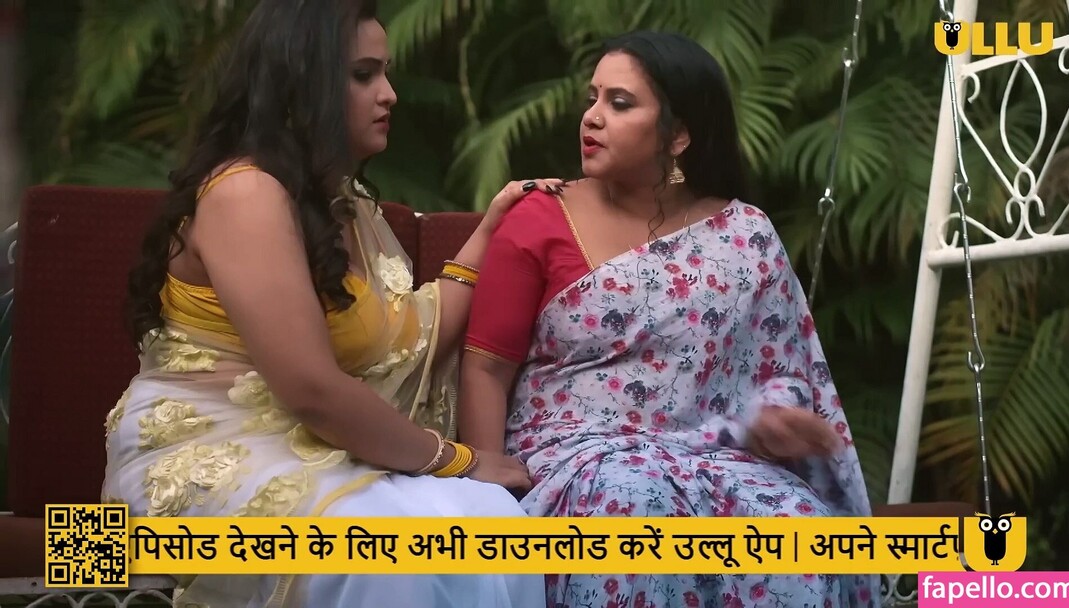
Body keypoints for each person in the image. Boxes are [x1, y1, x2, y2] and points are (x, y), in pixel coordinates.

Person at [100, 1, 560, 606]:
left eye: (385, 72)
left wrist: (492, 230)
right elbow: (312, 390)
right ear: (301, 83)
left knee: (492, 523)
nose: (390, 94)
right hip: (203, 455)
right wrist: (457, 460)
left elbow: (410, 334)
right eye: (364, 75)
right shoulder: (246, 193)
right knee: (393, 557)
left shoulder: (341, 202)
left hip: (312, 448)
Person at [460, 30, 880, 608]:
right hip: (576, 458)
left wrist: (773, 419)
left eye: (620, 103)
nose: (592, 117)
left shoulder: (745, 234)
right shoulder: (540, 217)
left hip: (715, 453)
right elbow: (485, 367)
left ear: (678, 135)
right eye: (592, 98)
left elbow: (778, 371)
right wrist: (488, 486)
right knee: (634, 503)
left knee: (797, 523)